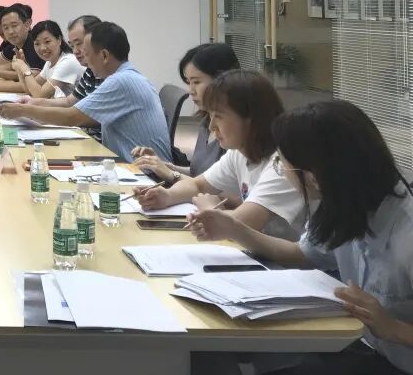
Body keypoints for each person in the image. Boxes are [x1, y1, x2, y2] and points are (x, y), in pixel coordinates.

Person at [189, 100, 413, 375]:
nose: (281, 171)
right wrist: (233, 229)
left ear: (315, 176)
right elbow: (300, 254)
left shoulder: (406, 232)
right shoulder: (344, 205)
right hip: (367, 348)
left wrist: (394, 328)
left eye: (282, 164)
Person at [136, 69, 307, 240]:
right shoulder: (240, 152)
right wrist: (167, 196)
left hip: (282, 256)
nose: (211, 126)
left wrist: (210, 208)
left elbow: (242, 224)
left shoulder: (283, 164)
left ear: (251, 119)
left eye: (218, 116)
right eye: (210, 116)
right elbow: (198, 185)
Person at [2, 21, 170, 161]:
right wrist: (32, 105)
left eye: (87, 53)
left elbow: (72, 116)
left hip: (144, 173)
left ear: (104, 56)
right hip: (127, 162)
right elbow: (70, 103)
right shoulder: (124, 75)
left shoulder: (121, 81)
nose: (83, 58)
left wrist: (24, 110)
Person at [132, 43, 238, 182]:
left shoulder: (235, 131)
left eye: (197, 82)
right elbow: (198, 173)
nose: (191, 91)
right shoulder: (206, 121)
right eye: (189, 83)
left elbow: (218, 190)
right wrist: (161, 166)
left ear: (222, 80)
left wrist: (172, 175)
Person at [0, 20, 83, 96]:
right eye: (37, 44)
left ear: (59, 40)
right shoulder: (50, 62)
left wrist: (24, 68)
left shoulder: (67, 62)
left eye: (47, 42)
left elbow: (39, 95)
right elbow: (28, 89)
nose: (42, 48)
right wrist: (20, 69)